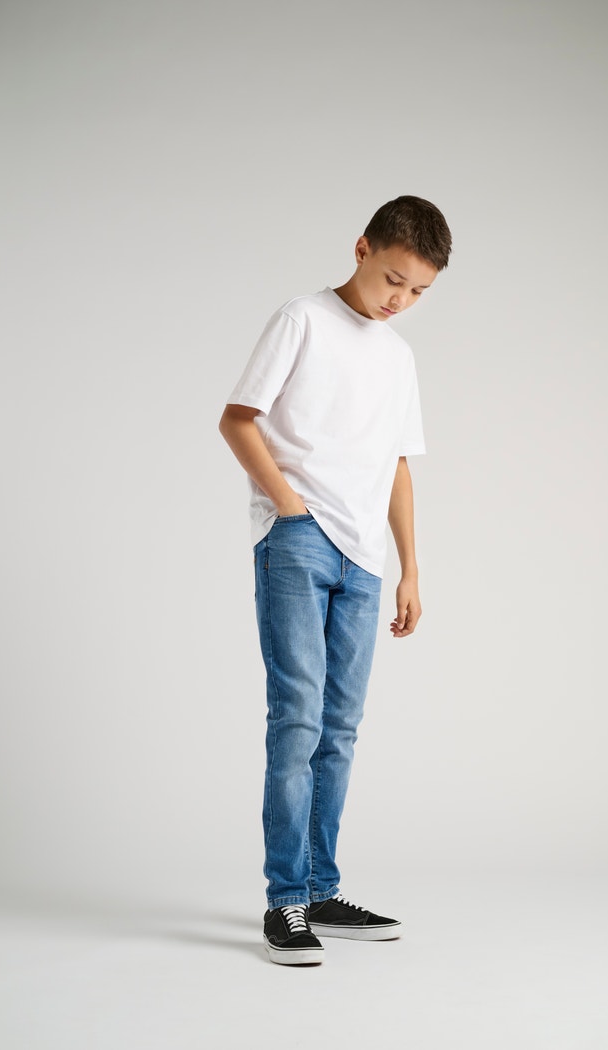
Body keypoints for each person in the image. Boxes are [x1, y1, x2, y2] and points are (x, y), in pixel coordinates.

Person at [219, 195, 452, 966]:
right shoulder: (304, 319)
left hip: (365, 559)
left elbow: (397, 465)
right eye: (393, 279)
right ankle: (285, 900)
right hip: (299, 541)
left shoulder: (398, 357)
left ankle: (321, 888)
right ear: (361, 249)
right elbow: (238, 418)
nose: (400, 300)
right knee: (297, 719)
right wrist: (289, 508)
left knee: (340, 727)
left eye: (418, 291)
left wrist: (410, 567)